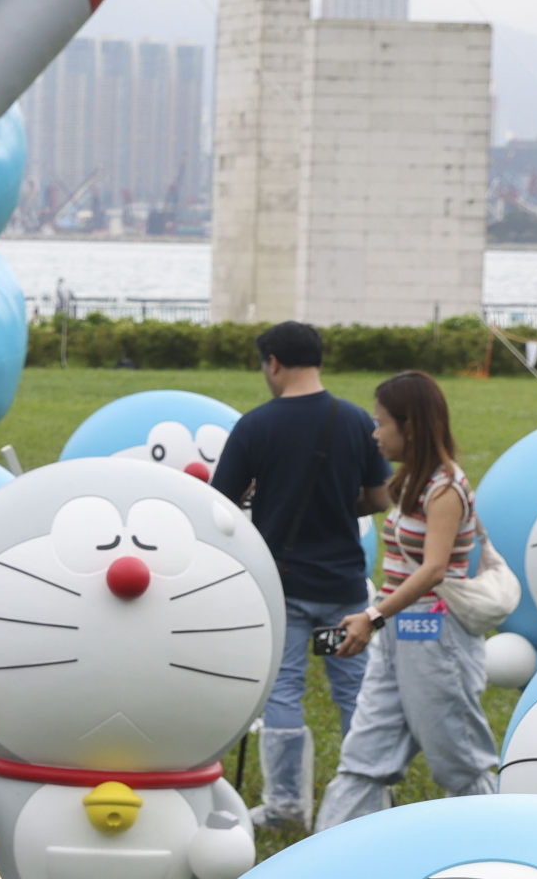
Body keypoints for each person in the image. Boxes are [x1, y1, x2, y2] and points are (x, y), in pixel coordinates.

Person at [205, 321, 387, 826]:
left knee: (285, 688)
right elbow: (378, 497)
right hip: (344, 589)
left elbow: (219, 502)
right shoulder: (354, 422)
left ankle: (285, 804)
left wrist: (266, 499)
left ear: (274, 364)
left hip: (282, 587)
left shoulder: (256, 426)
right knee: (353, 689)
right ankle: (365, 801)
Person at [315, 369, 494, 826]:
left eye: (382, 423)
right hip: (399, 632)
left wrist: (372, 615)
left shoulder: (446, 488)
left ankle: (495, 840)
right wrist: (382, 621)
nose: (375, 434)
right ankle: (329, 855)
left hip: (437, 635)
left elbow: (434, 568)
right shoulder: (413, 482)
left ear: (409, 426)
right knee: (364, 753)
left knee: (461, 758)